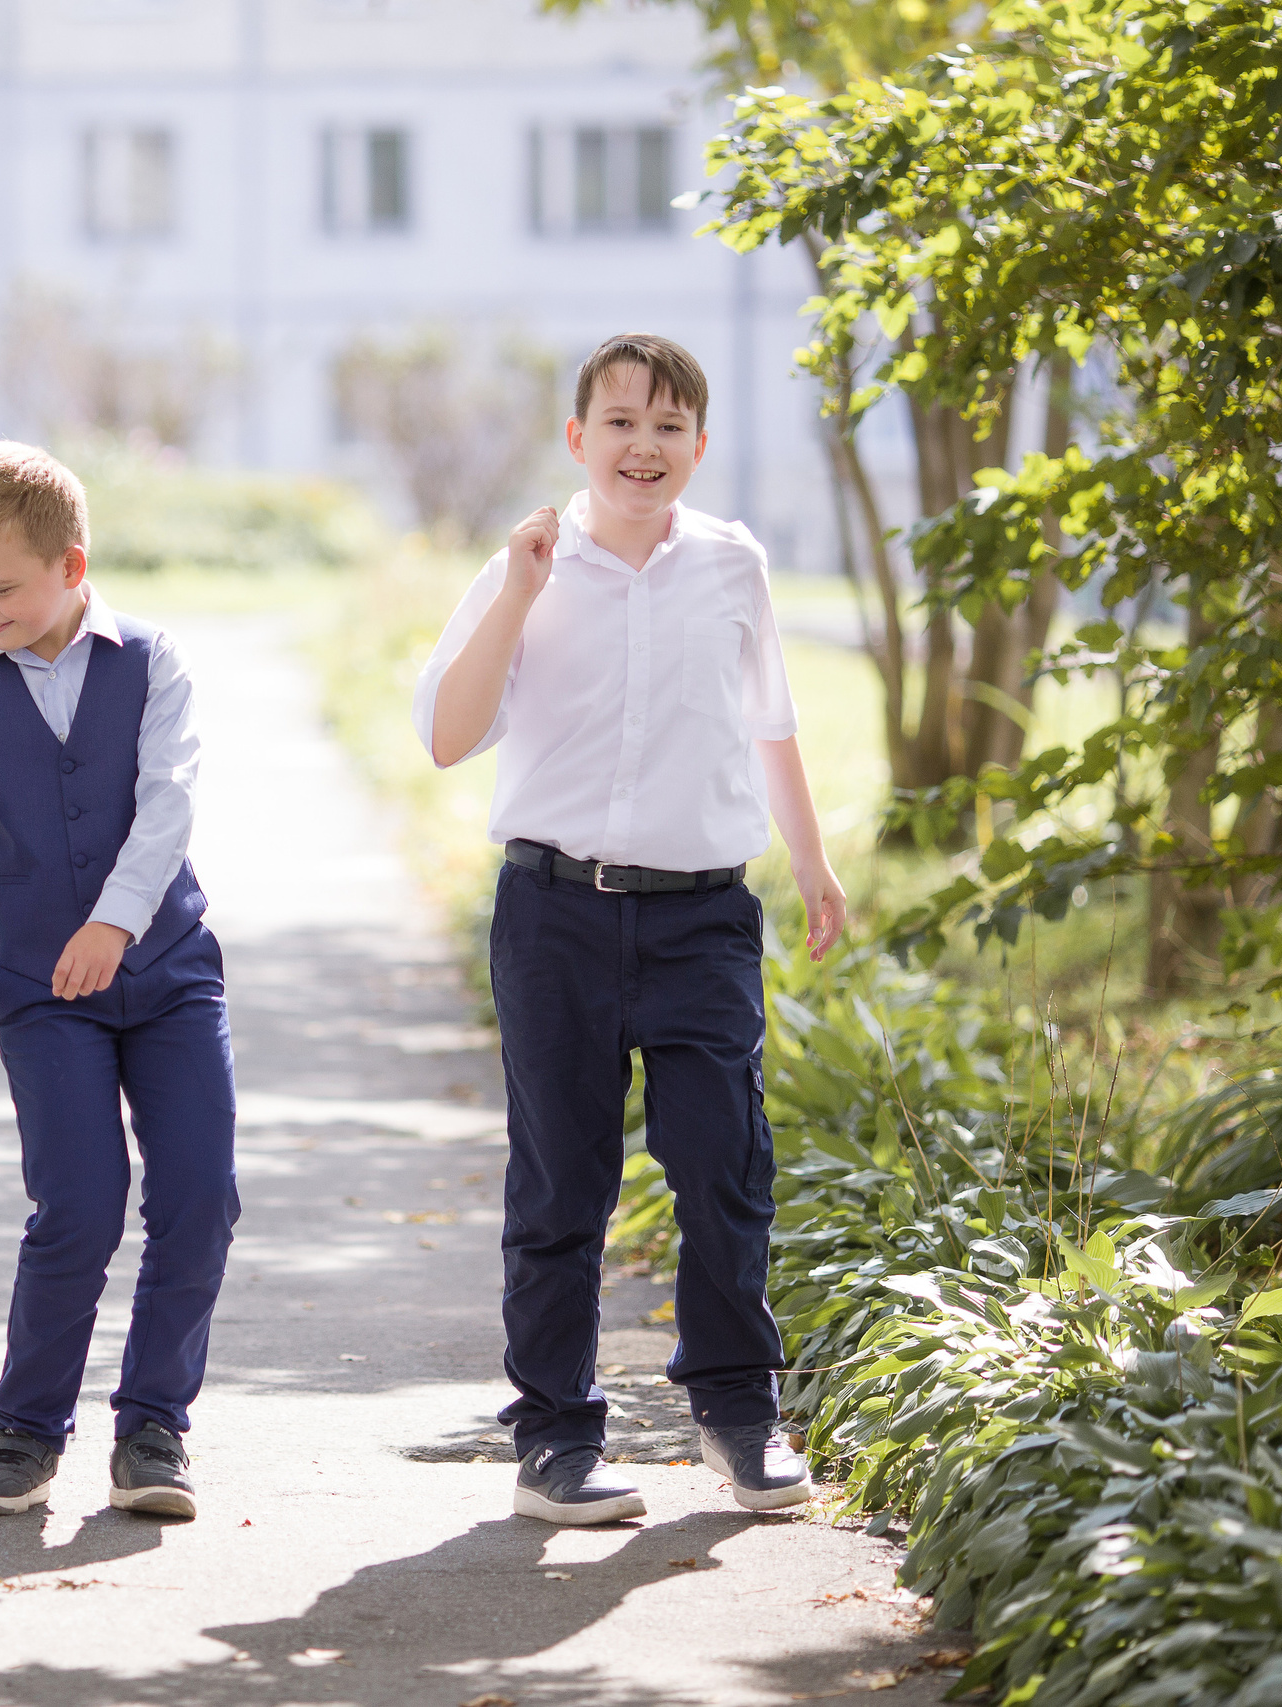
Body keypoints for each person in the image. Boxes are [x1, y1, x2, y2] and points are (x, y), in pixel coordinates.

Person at [416, 333, 849, 1525]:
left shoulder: (731, 563)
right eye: (618, 422)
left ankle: (737, 1413)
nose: (642, 446)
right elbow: (448, 736)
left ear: (697, 447)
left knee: (723, 1166)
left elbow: (769, 720)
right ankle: (554, 1437)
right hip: (553, 911)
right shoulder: (527, 565)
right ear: (577, 440)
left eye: (666, 427)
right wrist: (515, 588)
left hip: (704, 913)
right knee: (561, 1183)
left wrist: (811, 864)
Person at [0, 441, 237, 1522]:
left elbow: (168, 801)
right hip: (38, 986)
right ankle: (24, 1433)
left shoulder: (155, 661)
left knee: (199, 1198)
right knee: (77, 1203)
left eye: (0, 587)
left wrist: (116, 921)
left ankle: (153, 1428)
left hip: (167, 974)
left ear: (71, 566)